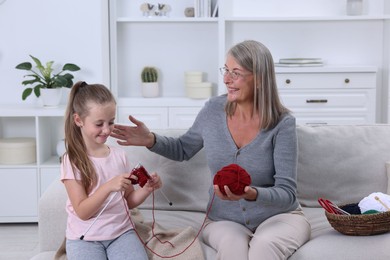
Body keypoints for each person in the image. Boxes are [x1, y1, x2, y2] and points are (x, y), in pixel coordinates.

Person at [110, 40, 311, 259]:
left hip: (279, 217)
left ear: (260, 79)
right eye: (226, 70)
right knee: (233, 249)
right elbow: (183, 149)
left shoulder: (282, 123)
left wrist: (252, 194)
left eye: (236, 73)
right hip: (224, 220)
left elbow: (287, 193)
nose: (226, 79)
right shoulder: (213, 110)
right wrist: (150, 139)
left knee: (263, 248)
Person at [61, 81, 162, 260]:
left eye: (111, 122)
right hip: (85, 238)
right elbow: (83, 212)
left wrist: (146, 189)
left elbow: (128, 201)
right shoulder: (72, 160)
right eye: (99, 124)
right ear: (79, 120)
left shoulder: (119, 155)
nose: (106, 130)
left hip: (121, 233)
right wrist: (108, 186)